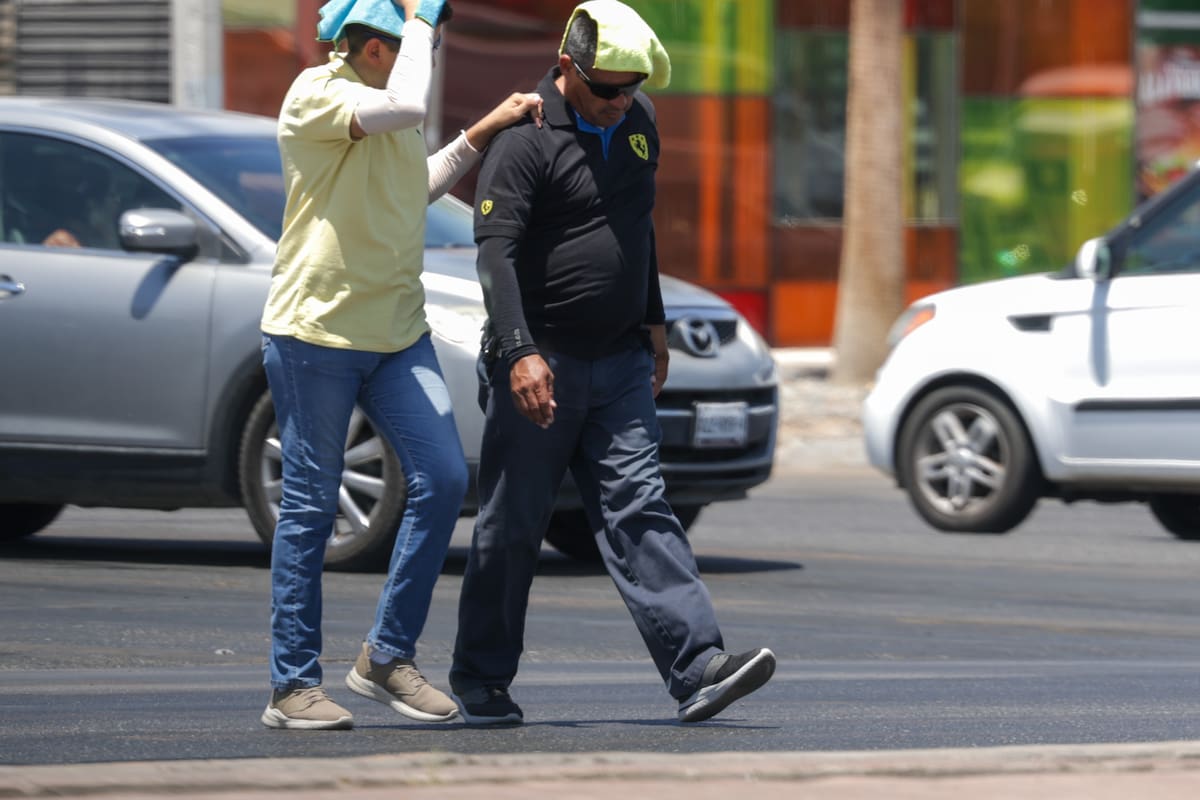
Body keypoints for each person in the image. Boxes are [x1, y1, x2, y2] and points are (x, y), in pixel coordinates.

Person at [449, 0, 775, 726]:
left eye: (631, 88)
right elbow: (495, 254)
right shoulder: (523, 139)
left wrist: (654, 320)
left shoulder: (637, 123)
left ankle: (699, 667)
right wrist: (519, 351)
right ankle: (480, 677)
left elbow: (637, 229)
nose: (621, 101)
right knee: (513, 523)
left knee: (640, 506)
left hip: (622, 357)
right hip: (543, 363)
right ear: (567, 69)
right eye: (607, 89)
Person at [259, 0, 542, 730]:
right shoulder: (317, 95)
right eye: (413, 41)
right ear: (374, 47)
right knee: (312, 509)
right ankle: (292, 686)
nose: (427, 50)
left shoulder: (387, 115)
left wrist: (485, 129)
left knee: (444, 477)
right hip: (315, 335)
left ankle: (384, 657)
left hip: (394, 334)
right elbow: (408, 101)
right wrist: (421, 16)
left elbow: (409, 190)